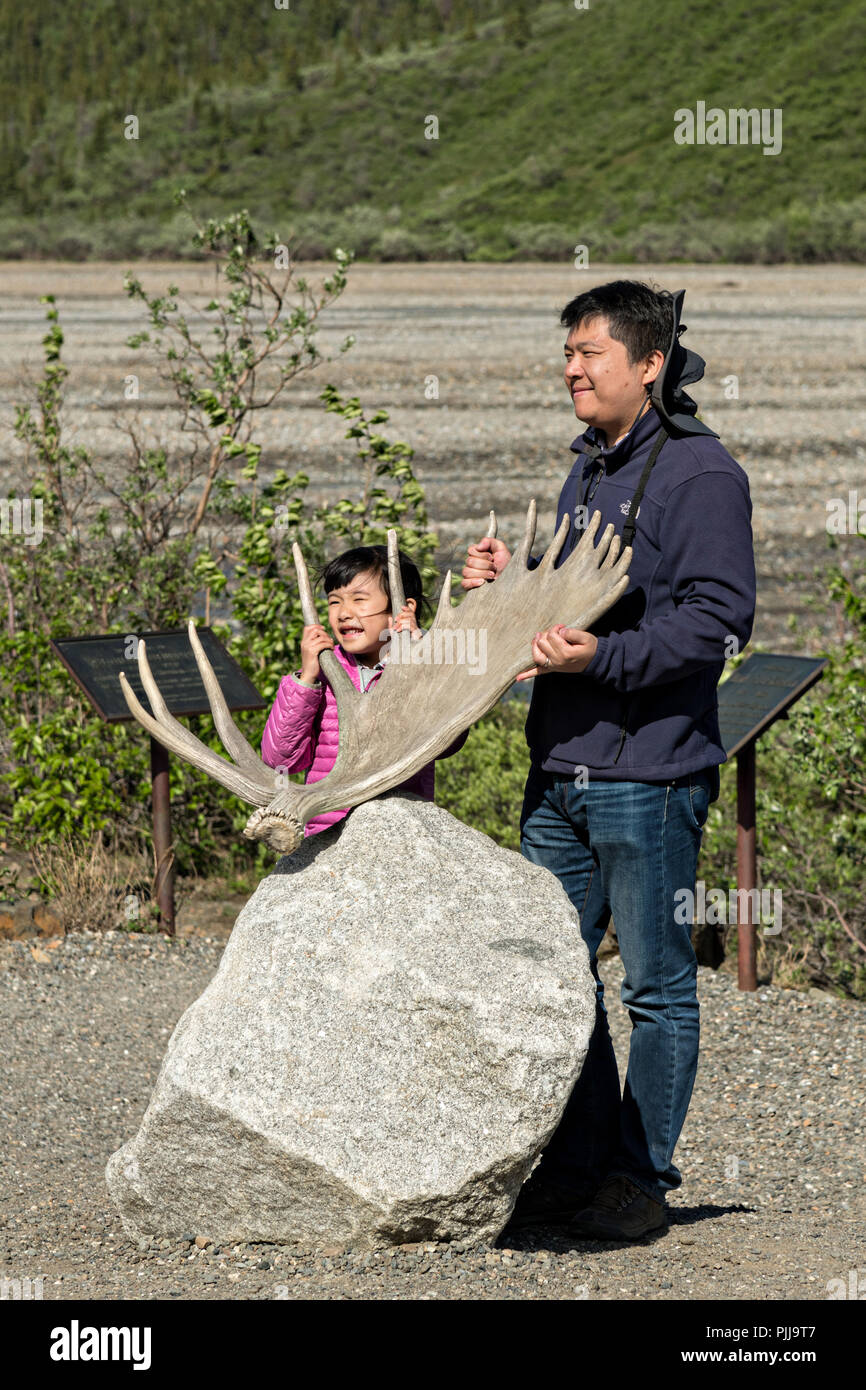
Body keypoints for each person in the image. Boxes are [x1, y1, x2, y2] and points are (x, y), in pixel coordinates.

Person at [461, 280, 756, 1240]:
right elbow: (570, 599)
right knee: (555, 973)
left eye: (591, 353)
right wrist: (512, 589)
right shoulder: (587, 467)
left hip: (650, 774)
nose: (573, 369)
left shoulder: (701, 477)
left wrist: (608, 659)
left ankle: (640, 1178)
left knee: (658, 988)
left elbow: (717, 621)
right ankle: (578, 1165)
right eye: (569, 353)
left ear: (650, 364)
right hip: (561, 770)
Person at [262, 543, 466, 836]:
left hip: (400, 834)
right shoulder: (323, 678)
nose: (344, 613)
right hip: (327, 837)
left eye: (359, 599)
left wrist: (420, 660)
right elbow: (280, 760)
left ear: (402, 609)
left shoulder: (419, 666)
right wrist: (306, 678)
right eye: (334, 602)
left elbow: (450, 741)